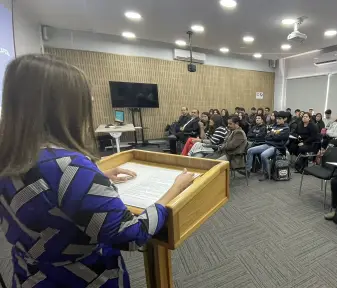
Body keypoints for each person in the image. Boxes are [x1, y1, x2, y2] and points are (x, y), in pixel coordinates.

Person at [0, 55, 197, 287]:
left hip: (28, 274)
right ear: (63, 108)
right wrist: (175, 188)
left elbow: (39, 192)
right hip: (79, 278)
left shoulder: (10, 153)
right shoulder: (70, 167)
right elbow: (131, 235)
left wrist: (96, 178)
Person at [244, 111, 290, 181]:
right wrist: (273, 135)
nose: (277, 120)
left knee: (263, 155)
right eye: (277, 118)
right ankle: (248, 171)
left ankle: (266, 173)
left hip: (277, 148)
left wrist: (272, 134)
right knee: (250, 150)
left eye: (279, 119)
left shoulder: (286, 129)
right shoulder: (274, 126)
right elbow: (267, 136)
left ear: (285, 119)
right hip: (268, 144)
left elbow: (278, 138)